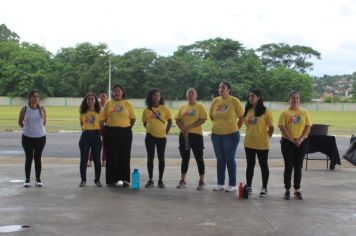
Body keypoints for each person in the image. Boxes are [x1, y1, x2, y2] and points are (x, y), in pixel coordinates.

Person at [209, 81, 244, 192]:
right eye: (219, 87)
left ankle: (232, 184)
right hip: (216, 135)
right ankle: (220, 184)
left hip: (231, 135)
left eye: (223, 87)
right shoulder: (215, 101)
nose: (220, 89)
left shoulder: (234, 101)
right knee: (220, 159)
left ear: (228, 89)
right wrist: (218, 125)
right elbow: (212, 116)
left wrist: (235, 129)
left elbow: (242, 117)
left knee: (229, 158)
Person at [278, 90, 312, 200]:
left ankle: (297, 190)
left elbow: (308, 127)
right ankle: (287, 189)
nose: (295, 100)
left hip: (302, 142)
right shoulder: (285, 113)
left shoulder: (304, 112)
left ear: (299, 100)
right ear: (289, 100)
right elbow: (282, 128)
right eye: (293, 98)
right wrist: (292, 140)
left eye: (297, 98)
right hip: (288, 142)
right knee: (289, 166)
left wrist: (301, 139)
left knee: (298, 167)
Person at [102, 84, 136, 187]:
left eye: (118, 91)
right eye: (115, 91)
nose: (116, 93)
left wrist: (127, 127)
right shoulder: (108, 104)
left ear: (122, 92)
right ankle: (112, 179)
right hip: (110, 132)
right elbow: (103, 118)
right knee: (111, 156)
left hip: (125, 132)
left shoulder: (127, 104)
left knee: (124, 155)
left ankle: (125, 179)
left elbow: (133, 119)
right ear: (112, 93)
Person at [243, 89, 274, 197]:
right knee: (250, 165)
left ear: (259, 97)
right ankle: (249, 186)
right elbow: (247, 125)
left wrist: (266, 138)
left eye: (253, 96)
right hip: (249, 143)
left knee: (263, 165)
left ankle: (264, 187)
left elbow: (271, 128)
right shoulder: (248, 110)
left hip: (262, 144)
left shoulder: (266, 111)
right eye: (249, 96)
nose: (250, 98)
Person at [175, 88, 207, 190]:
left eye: (193, 93)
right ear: (186, 95)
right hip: (184, 136)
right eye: (189, 93)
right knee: (185, 158)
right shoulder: (183, 107)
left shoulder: (200, 106)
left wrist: (189, 127)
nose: (191, 94)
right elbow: (177, 119)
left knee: (199, 158)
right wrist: (183, 129)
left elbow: (202, 119)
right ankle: (182, 180)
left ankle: (201, 181)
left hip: (197, 135)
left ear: (196, 95)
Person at [142, 88, 172, 188]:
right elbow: (144, 122)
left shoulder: (164, 108)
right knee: (150, 159)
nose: (156, 97)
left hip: (161, 138)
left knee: (161, 159)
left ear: (160, 97)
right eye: (154, 95)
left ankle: (160, 180)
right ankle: (150, 180)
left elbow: (170, 121)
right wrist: (149, 129)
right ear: (151, 97)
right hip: (149, 137)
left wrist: (165, 132)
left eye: (158, 95)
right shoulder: (147, 109)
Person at [18, 89, 46, 187]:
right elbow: (20, 122)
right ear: (29, 98)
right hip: (27, 138)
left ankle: (38, 179)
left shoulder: (42, 109)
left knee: (37, 158)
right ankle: (27, 180)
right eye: (34, 96)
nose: (36, 98)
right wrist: (28, 130)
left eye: (37, 96)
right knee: (29, 157)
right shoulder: (25, 109)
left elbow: (44, 123)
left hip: (40, 138)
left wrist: (38, 130)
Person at [78, 93, 104, 187]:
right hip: (85, 135)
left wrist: (97, 133)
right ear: (86, 101)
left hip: (96, 135)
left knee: (97, 159)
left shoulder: (99, 112)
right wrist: (87, 130)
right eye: (88, 99)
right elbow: (81, 124)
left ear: (95, 100)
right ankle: (83, 180)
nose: (90, 101)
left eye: (92, 99)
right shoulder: (83, 112)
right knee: (83, 159)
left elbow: (101, 125)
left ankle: (97, 180)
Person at [87, 91, 108, 167]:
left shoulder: (108, 105)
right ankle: (89, 161)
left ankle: (104, 161)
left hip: (105, 126)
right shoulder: (96, 105)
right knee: (95, 144)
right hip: (96, 127)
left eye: (104, 96)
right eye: (101, 96)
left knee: (105, 144)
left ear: (107, 97)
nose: (102, 98)